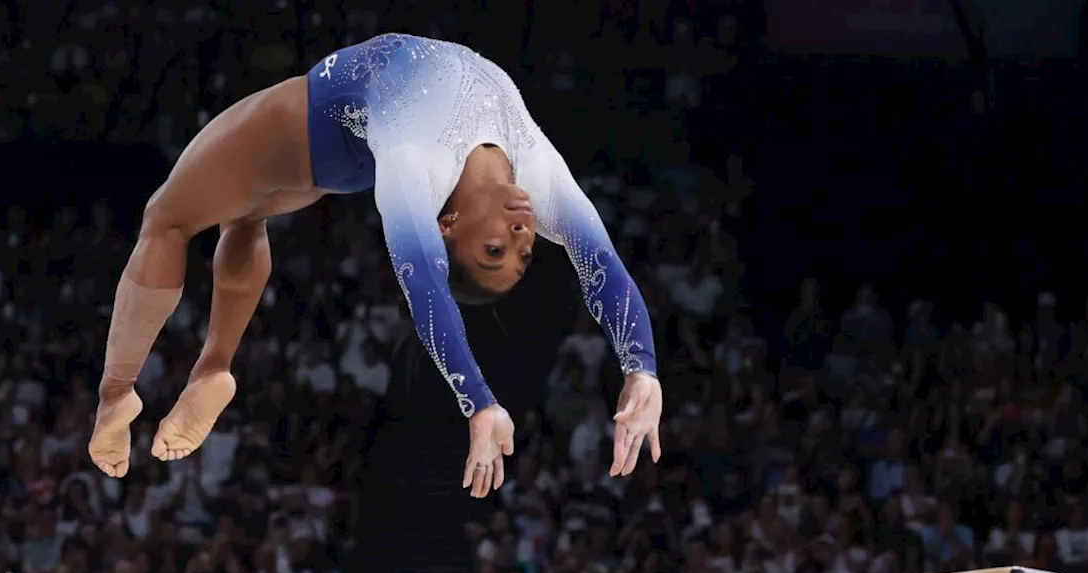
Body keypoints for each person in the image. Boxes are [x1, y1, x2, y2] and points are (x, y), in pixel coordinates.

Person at [87, 34, 663, 497]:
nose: (519, 236)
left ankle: (117, 392)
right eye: (523, 250)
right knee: (245, 215)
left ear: (449, 227)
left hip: (312, 124)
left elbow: (425, 287)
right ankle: (212, 368)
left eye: (494, 253)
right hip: (343, 142)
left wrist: (480, 402)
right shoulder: (535, 173)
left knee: (165, 218)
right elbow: (602, 265)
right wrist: (642, 369)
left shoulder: (419, 164)